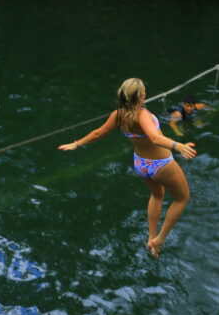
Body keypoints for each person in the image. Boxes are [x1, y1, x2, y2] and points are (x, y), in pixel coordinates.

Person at [58, 78, 196, 257]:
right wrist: (178, 146)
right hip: (161, 165)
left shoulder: (118, 115)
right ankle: (160, 239)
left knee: (157, 194)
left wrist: (76, 144)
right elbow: (154, 138)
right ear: (142, 96)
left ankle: (151, 238)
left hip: (141, 164)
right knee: (182, 198)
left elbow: (98, 133)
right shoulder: (142, 114)